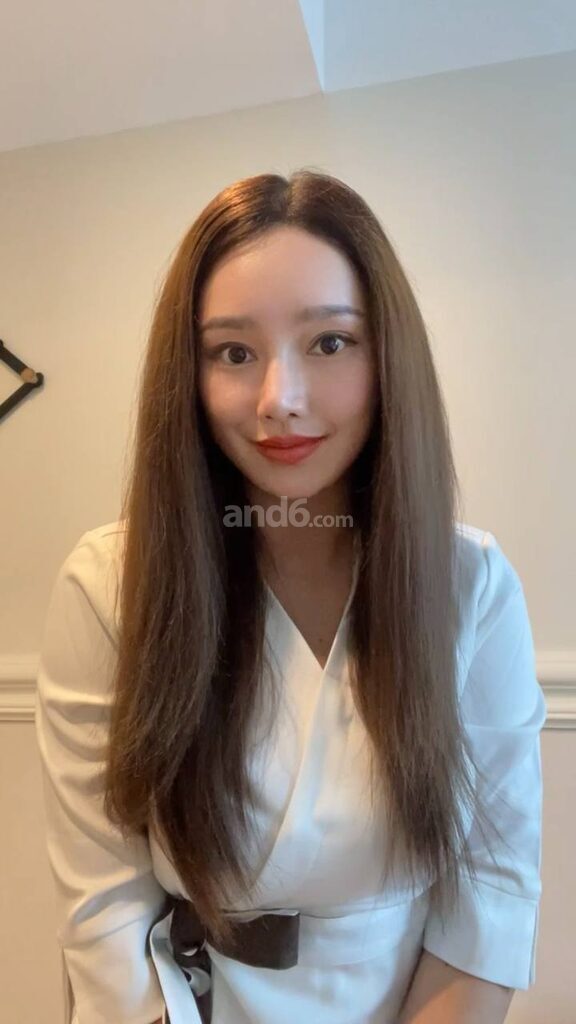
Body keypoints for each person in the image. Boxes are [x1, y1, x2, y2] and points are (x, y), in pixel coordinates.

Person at [35, 169, 546, 1024]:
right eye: (234, 353)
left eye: (330, 342)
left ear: (387, 358)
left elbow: (488, 900)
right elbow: (105, 913)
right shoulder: (109, 585)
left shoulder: (473, 587)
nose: (280, 400)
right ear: (189, 377)